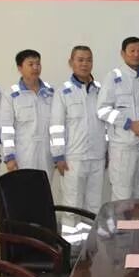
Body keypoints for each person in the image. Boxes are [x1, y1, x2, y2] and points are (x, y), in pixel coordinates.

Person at [50, 46, 107, 220]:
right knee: (72, 206)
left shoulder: (101, 90)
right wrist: (58, 156)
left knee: (94, 206)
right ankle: (72, 238)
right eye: (80, 60)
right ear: (71, 62)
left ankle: (90, 238)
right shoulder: (63, 92)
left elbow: (106, 125)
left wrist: (107, 150)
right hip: (73, 159)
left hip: (97, 157)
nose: (85, 64)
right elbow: (56, 126)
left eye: (88, 60)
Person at [97, 37, 139, 200]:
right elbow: (102, 110)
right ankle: (121, 219)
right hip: (122, 149)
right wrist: (130, 124)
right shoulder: (113, 77)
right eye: (132, 51)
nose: (136, 54)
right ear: (123, 54)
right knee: (122, 196)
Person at [0, 49, 55, 179]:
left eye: (38, 64)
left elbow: (58, 125)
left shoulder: (51, 92)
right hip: (23, 154)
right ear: (20, 68)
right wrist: (9, 156)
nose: (35, 68)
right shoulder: (11, 95)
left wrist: (59, 154)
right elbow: (6, 129)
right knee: (24, 189)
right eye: (30, 64)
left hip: (47, 153)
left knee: (45, 188)